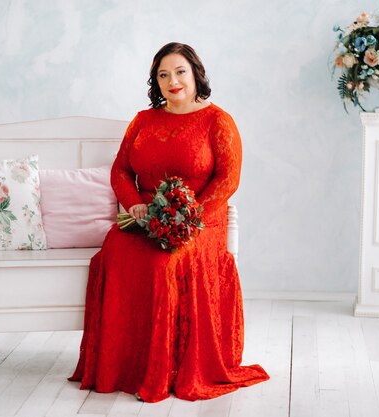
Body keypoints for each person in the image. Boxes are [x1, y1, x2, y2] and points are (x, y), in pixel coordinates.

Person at [69, 42, 269, 403]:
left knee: (164, 263)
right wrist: (134, 206)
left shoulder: (218, 121)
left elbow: (228, 179)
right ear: (155, 82)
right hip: (145, 218)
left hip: (199, 223)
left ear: (195, 74)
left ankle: (165, 371)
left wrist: (189, 219)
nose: (172, 81)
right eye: (163, 75)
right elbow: (121, 169)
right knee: (115, 250)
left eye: (179, 72)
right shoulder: (143, 120)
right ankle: (122, 367)